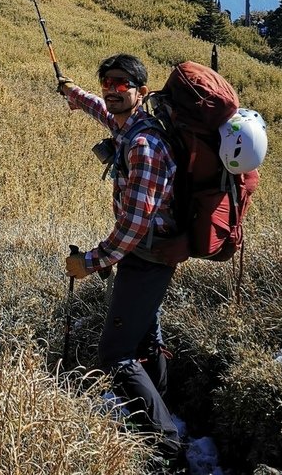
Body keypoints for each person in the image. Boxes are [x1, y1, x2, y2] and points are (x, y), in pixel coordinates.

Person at [57, 53, 185, 467]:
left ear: (141, 92)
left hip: (147, 257)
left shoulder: (144, 146)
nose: (112, 90)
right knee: (146, 335)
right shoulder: (129, 124)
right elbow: (101, 110)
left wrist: (91, 261)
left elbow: (133, 225)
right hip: (147, 252)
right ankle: (165, 411)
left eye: (121, 84)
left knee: (115, 354)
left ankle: (166, 447)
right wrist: (74, 93)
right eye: (108, 83)